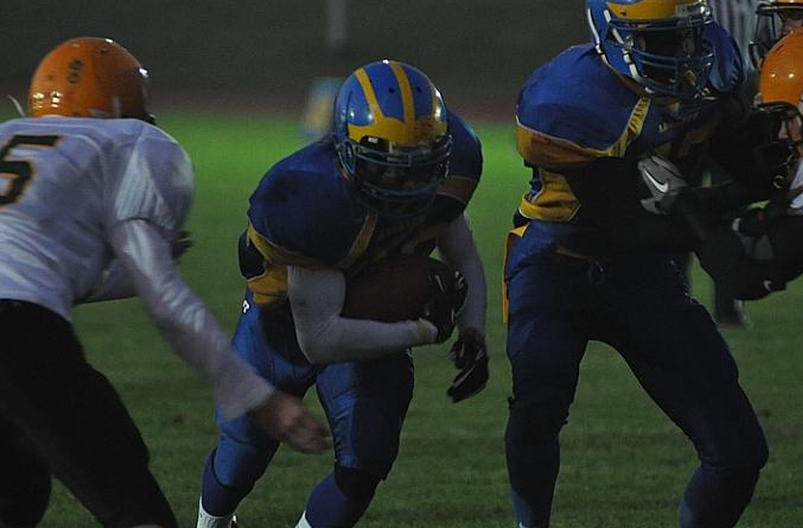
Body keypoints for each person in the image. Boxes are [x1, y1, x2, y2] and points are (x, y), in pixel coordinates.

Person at [0, 37, 330, 528]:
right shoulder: (135, 142)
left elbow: (32, 272)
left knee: (18, 492)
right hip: (19, 341)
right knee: (134, 505)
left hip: (18, 331)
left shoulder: (8, 134)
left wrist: (121, 273)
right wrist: (259, 399)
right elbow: (165, 300)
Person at [503, 0, 768, 527]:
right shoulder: (570, 101)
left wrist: (763, 175)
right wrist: (714, 218)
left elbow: (748, 167)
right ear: (612, 34)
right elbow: (620, 219)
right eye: (666, 38)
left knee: (739, 448)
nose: (687, 50)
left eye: (693, 30)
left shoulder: (715, 68)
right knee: (538, 401)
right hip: (557, 261)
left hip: (643, 270)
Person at [196, 60, 488, 528]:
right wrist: (420, 329)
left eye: (421, 167)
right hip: (285, 320)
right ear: (345, 150)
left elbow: (464, 255)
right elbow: (320, 338)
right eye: (390, 168)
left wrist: (474, 329)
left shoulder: (457, 166)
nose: (408, 184)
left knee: (365, 460)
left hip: (369, 321)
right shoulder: (308, 198)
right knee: (244, 451)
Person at [638, 23, 803, 528]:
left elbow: (750, 275)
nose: (783, 134)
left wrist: (682, 205)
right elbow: (768, 215)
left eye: (787, 118)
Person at [684, 0, 768, 327]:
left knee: (731, 203)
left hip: (736, 107)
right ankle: (676, 298)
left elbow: (765, 37)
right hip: (686, 108)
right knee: (678, 205)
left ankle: (729, 302)